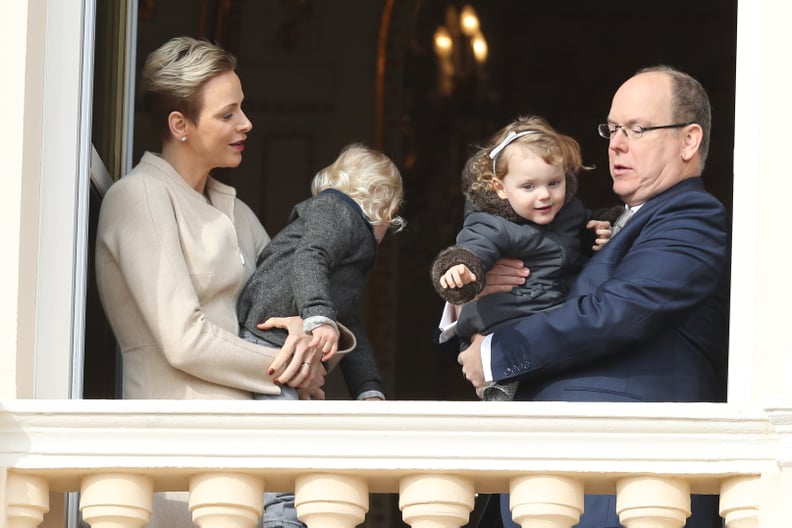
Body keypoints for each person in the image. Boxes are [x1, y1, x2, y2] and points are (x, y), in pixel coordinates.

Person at [456, 65, 730, 528]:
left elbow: (615, 314)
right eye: (613, 129)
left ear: (688, 141)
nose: (617, 145)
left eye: (638, 129)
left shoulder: (692, 217)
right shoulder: (592, 228)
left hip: (625, 487)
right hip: (558, 483)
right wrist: (472, 297)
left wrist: (496, 355)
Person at [95, 36, 335, 527]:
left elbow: (294, 303)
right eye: (228, 114)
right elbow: (184, 341)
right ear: (179, 125)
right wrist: (288, 365)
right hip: (181, 464)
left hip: (252, 463)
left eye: (241, 109)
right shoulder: (138, 197)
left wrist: (308, 337)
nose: (245, 123)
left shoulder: (235, 210)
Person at [237, 142, 404, 527]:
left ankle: (284, 515)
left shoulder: (351, 247)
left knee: (295, 443)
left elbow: (351, 321)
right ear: (386, 209)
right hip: (268, 341)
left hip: (283, 346)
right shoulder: (337, 211)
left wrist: (369, 389)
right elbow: (310, 256)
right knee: (284, 447)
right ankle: (280, 520)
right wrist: (317, 316)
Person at [430, 115, 612, 401]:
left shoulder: (570, 212)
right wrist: (461, 268)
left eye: (554, 182)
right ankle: (499, 386)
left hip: (551, 317)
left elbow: (579, 232)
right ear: (500, 188)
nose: (544, 196)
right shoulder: (492, 222)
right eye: (528, 187)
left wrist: (598, 229)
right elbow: (475, 246)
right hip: (507, 320)